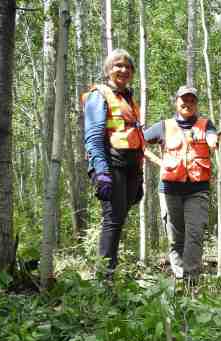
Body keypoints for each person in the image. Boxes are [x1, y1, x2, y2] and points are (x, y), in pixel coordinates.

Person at [143, 86, 221, 280]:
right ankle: (180, 278)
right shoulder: (164, 126)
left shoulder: (206, 125)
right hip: (170, 190)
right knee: (176, 238)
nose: (187, 103)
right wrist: (158, 162)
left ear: (196, 104)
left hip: (197, 190)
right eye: (184, 99)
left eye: (192, 100)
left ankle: (192, 280)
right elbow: (139, 142)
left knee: (195, 232)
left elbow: (212, 137)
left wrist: (216, 139)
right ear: (176, 102)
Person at [82, 49, 144, 277]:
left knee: (119, 218)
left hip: (130, 167)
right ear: (108, 69)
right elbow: (93, 136)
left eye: (128, 67)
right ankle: (104, 277)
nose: (123, 70)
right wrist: (101, 172)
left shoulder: (128, 98)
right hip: (111, 164)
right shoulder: (99, 95)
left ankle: (108, 272)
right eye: (118, 65)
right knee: (113, 219)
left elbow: (135, 137)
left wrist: (139, 174)